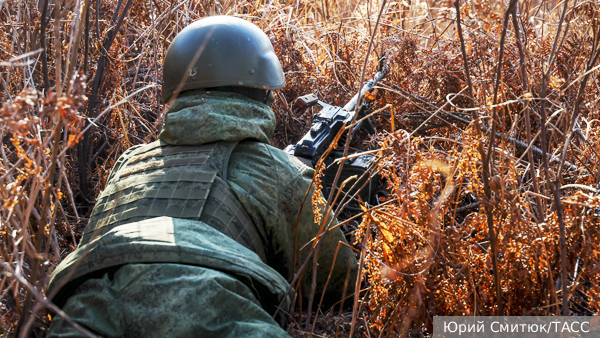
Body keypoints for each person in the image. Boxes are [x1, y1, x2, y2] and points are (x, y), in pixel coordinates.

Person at [47, 15, 357, 338]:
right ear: (261, 94)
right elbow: (340, 281)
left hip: (90, 307)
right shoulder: (277, 171)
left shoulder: (129, 163)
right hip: (211, 305)